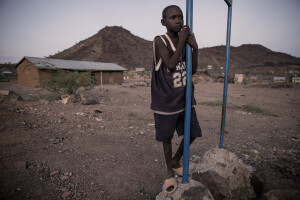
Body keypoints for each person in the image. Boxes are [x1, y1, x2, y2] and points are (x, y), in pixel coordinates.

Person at [150, 5, 202, 194]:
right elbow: (171, 65)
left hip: (185, 98)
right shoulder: (159, 40)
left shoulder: (186, 42)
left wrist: (195, 48)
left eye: (180, 16)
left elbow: (193, 70)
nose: (178, 20)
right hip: (165, 101)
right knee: (166, 138)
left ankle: (175, 160)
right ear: (164, 22)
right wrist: (182, 41)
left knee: (193, 132)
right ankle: (168, 170)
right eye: (173, 17)